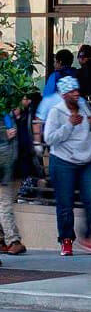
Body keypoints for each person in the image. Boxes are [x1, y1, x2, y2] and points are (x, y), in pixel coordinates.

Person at [42, 76, 91, 256]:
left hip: (86, 159)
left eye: (77, 90)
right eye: (71, 92)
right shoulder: (56, 111)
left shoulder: (84, 105)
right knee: (65, 203)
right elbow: (49, 138)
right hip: (63, 161)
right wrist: (69, 125)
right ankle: (66, 239)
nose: (76, 94)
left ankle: (88, 235)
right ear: (63, 94)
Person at [0, 98, 24, 255]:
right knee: (5, 203)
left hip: (7, 164)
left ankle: (4, 239)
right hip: (3, 165)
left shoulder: (7, 113)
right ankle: (12, 240)